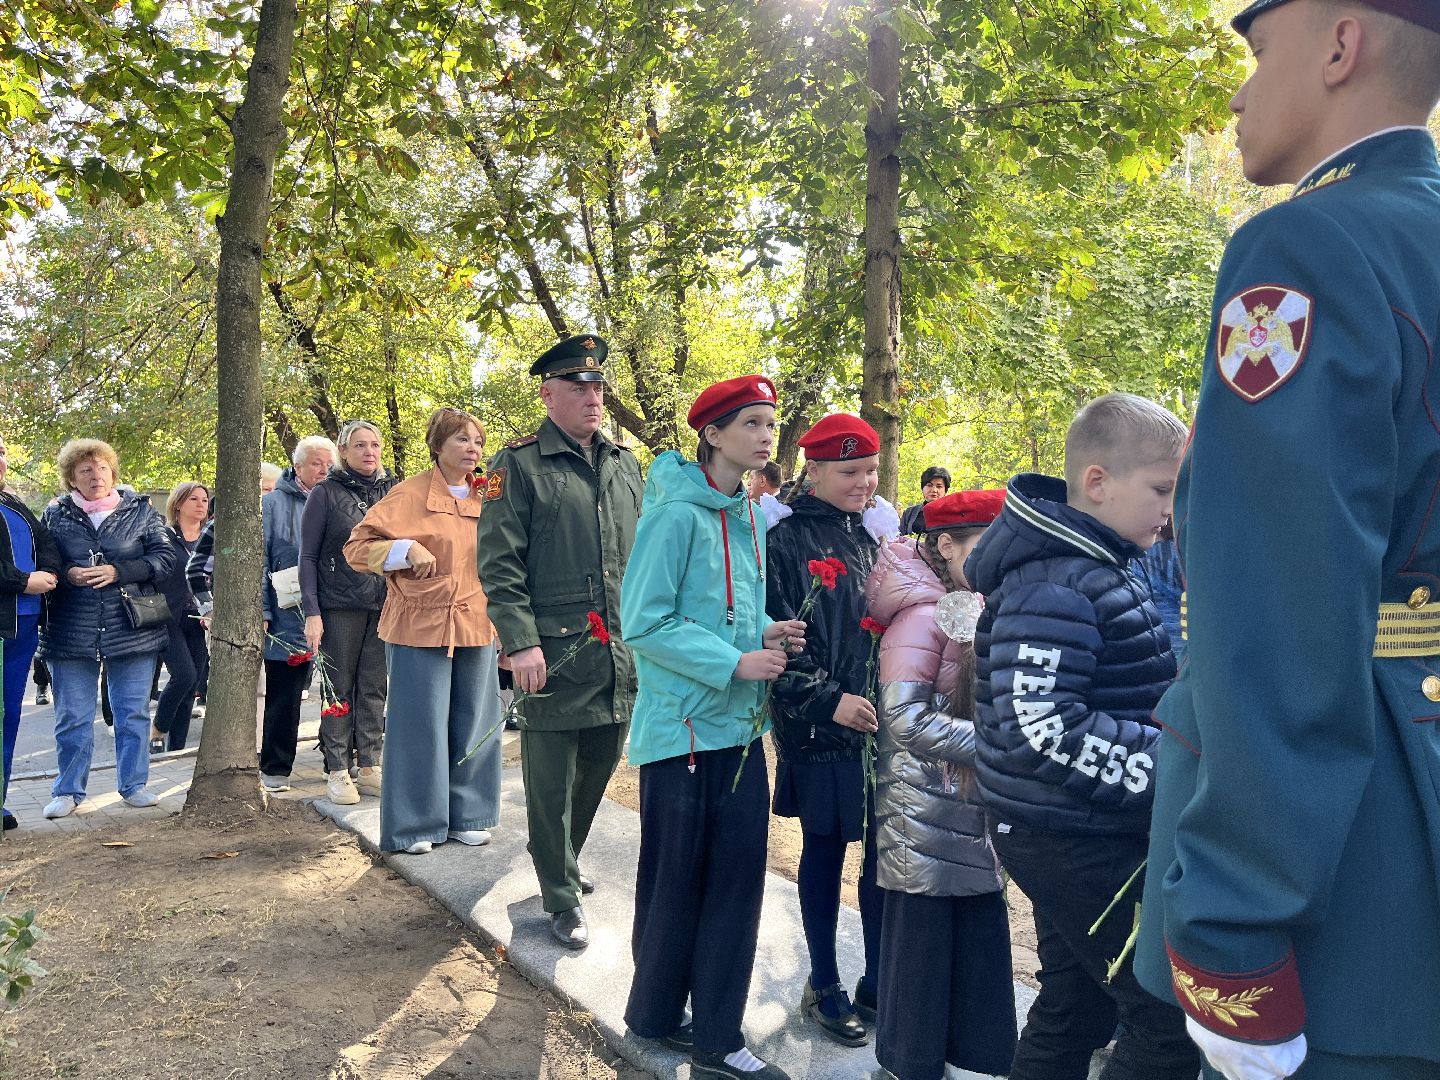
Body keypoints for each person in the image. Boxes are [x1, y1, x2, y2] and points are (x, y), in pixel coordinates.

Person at [1133, 5, 1440, 1080]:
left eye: (1256, 54)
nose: (1239, 90)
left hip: (1351, 901)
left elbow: (1279, 608)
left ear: (1341, 47)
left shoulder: (1308, 243)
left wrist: (1231, 932)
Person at [963, 392, 1191, 1080]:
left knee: (1077, 1005)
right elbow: (1044, 728)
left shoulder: (1091, 563)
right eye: (1160, 489)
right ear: (1097, 481)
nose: (1168, 510)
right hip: (1071, 838)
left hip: (1065, 826)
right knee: (1164, 1018)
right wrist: (1173, 763)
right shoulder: (1055, 580)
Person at [621, 376, 804, 1080]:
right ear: (714, 434)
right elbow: (645, 622)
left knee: (730, 882)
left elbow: (724, 610)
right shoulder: (675, 517)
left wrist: (769, 633)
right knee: (682, 881)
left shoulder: (749, 517)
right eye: (752, 423)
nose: (765, 435)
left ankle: (689, 1023)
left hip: (737, 735)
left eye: (770, 423)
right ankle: (684, 1027)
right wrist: (735, 662)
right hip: (685, 735)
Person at [475, 333, 642, 949]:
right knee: (549, 779)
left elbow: (641, 559)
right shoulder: (516, 467)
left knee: (601, 764)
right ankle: (560, 894)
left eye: (597, 387)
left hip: (618, 651)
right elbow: (499, 562)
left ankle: (559, 858)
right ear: (548, 395)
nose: (592, 398)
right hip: (552, 651)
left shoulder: (625, 464)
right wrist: (519, 641)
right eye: (577, 388)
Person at [864, 488, 1016, 1080]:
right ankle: (912, 1062)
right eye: (982, 546)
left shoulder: (971, 602)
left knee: (973, 931)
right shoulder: (922, 616)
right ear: (945, 545)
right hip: (923, 808)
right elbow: (903, 719)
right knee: (924, 944)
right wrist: (999, 747)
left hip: (964, 802)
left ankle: (965, 1055)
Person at [766, 412, 883, 1047]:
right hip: (822, 731)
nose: (864, 482)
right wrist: (828, 701)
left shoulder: (872, 537)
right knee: (825, 851)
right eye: (849, 471)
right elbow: (778, 642)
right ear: (813, 470)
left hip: (876, 731)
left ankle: (875, 979)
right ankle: (826, 980)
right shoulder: (784, 541)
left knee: (877, 859)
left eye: (869, 470)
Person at [344, 408, 502, 855]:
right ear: (438, 445)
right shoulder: (406, 494)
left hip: (476, 620)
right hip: (418, 622)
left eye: (477, 440)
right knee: (420, 726)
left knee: (475, 720)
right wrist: (402, 548)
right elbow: (356, 549)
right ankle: (415, 824)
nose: (473, 449)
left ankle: (468, 814)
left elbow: (513, 548)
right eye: (462, 440)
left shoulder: (489, 491)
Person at [39, 439, 175, 819]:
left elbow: (165, 560)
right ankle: (67, 791)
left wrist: (119, 571)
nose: (95, 475)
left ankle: (134, 786)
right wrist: (67, 573)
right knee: (72, 716)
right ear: (71, 478)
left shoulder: (141, 511)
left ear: (113, 473)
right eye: (85, 470)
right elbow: (44, 562)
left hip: (131, 627)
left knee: (132, 712)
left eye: (101, 468)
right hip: (70, 629)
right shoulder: (55, 516)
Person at [300, 419, 395, 805]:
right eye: (359, 445)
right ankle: (338, 769)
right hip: (338, 606)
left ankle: (370, 765)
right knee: (337, 689)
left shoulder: (393, 490)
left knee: (374, 687)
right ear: (343, 451)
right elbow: (307, 556)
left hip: (385, 603)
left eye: (374, 444)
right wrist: (312, 611)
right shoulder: (324, 494)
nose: (368, 452)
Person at [258, 435, 336, 793]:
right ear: (298, 466)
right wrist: (261, 608)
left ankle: (336, 762)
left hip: (335, 607)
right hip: (287, 613)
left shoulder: (340, 497)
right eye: (317, 463)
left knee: (337, 689)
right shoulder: (272, 504)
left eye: (329, 462)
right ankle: (275, 768)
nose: (324, 469)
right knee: (284, 694)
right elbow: (258, 559)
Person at [0, 434, 61, 832]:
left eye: (2, 453)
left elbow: (47, 541)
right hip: (9, 611)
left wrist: (51, 573)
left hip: (22, 625)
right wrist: (23, 581)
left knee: (7, 716)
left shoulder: (13, 503)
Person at [150, 481, 210, 754]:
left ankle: (177, 749)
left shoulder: (209, 537)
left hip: (200, 618)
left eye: (205, 500)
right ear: (177, 504)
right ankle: (159, 729)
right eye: (194, 499)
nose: (201, 505)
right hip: (168, 617)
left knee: (193, 682)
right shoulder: (163, 536)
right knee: (183, 676)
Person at [899, 466, 951, 536]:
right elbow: (900, 537)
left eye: (939, 486)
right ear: (922, 488)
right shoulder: (909, 513)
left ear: (945, 490)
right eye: (929, 485)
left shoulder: (952, 514)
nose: (934, 490)